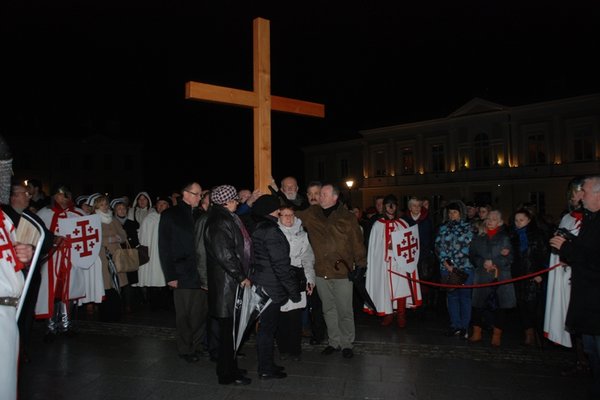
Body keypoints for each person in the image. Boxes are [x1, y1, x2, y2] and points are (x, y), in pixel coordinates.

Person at [296, 183, 367, 359]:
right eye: (320, 194)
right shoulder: (312, 213)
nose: (320, 197)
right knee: (328, 309)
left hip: (342, 271)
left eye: (324, 194)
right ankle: (333, 342)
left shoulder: (348, 217)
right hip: (321, 270)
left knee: (344, 309)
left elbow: (357, 243)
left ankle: (347, 343)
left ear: (335, 197)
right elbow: (292, 215)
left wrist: (361, 265)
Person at [550, 175, 600, 398]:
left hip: (596, 297)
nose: (580, 197)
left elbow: (594, 257)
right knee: (591, 348)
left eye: (585, 192)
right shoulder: (591, 219)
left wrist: (567, 248)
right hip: (587, 296)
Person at [204, 185, 252, 385]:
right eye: (235, 200)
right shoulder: (219, 221)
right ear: (226, 202)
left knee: (231, 332)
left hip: (229, 284)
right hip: (227, 286)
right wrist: (241, 276)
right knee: (227, 334)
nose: (237, 203)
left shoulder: (225, 217)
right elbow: (225, 254)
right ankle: (226, 374)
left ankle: (230, 368)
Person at [250, 195, 301, 379]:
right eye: (277, 208)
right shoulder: (271, 230)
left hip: (262, 284)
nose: (280, 210)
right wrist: (294, 292)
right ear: (272, 210)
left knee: (267, 329)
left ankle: (268, 363)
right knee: (267, 330)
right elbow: (280, 264)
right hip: (270, 288)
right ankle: (265, 368)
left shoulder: (259, 227)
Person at [544, 176, 590, 376]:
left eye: (579, 193)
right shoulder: (567, 218)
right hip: (567, 276)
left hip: (587, 278)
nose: (575, 198)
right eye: (573, 194)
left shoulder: (593, 220)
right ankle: (580, 359)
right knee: (572, 318)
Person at [158, 182, 206, 363]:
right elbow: (164, 247)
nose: (199, 197)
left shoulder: (201, 214)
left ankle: (198, 345)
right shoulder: (170, 215)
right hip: (182, 272)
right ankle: (185, 348)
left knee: (200, 312)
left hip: (201, 273)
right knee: (185, 314)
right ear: (185, 194)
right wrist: (170, 276)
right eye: (196, 194)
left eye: (200, 194)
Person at [35, 183, 86, 340]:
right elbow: (36, 234)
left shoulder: (78, 214)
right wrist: (53, 241)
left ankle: (65, 325)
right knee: (51, 293)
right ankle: (50, 327)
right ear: (53, 197)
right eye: (59, 195)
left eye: (65, 195)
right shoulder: (44, 213)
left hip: (71, 260)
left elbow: (88, 234)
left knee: (69, 292)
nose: (63, 199)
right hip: (51, 260)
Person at [366, 194, 421, 328]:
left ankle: (401, 314)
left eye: (393, 205)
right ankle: (389, 314)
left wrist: (397, 248)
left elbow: (410, 244)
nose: (391, 208)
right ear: (384, 207)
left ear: (396, 207)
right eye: (388, 205)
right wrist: (386, 249)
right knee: (386, 290)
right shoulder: (377, 225)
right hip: (384, 264)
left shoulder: (403, 224)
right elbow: (375, 249)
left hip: (400, 264)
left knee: (401, 288)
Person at [468, 210, 515, 347]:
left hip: (500, 276)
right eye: (488, 218)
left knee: (500, 306)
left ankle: (496, 335)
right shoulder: (478, 237)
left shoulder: (505, 237)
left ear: (500, 222)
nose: (490, 221)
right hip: (482, 275)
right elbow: (472, 255)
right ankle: (477, 332)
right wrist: (481, 262)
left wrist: (495, 262)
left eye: (494, 219)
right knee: (478, 305)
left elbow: (510, 257)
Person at [275, 204, 315, 362]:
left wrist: (310, 280)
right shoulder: (275, 233)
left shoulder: (302, 234)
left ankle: (295, 350)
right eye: (284, 215)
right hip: (280, 279)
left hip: (297, 277)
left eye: (290, 214)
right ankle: (283, 349)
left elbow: (308, 258)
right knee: (281, 317)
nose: (288, 218)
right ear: (279, 217)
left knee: (295, 317)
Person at [509, 207, 550, 346]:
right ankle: (529, 333)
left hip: (534, 276)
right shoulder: (513, 236)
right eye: (516, 220)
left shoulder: (538, 235)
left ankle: (540, 334)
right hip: (518, 277)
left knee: (535, 307)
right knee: (522, 306)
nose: (518, 223)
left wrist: (541, 273)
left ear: (529, 220)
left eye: (521, 220)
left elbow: (545, 256)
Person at [434, 200, 474, 338]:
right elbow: (438, 246)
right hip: (446, 268)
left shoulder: (469, 228)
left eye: (455, 212)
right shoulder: (443, 228)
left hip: (465, 268)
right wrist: (446, 263)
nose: (452, 215)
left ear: (461, 213)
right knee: (452, 297)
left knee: (465, 298)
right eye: (450, 212)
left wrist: (458, 265)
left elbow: (472, 248)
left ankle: (465, 327)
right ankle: (455, 325)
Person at [303, 180, 326, 345]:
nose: (313, 197)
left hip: (330, 267)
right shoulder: (304, 215)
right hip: (312, 267)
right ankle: (318, 334)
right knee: (315, 303)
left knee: (331, 304)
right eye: (310, 194)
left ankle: (336, 335)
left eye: (316, 193)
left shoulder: (330, 213)